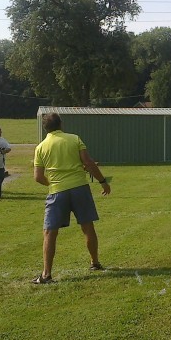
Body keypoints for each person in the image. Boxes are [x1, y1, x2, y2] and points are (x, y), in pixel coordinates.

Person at [32, 113, 111, 284]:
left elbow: (38, 177)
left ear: (45, 128)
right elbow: (88, 163)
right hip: (80, 188)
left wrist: (53, 185)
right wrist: (102, 181)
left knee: (50, 232)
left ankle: (46, 274)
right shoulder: (74, 139)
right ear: (61, 124)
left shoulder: (40, 147)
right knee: (87, 226)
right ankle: (95, 262)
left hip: (56, 192)